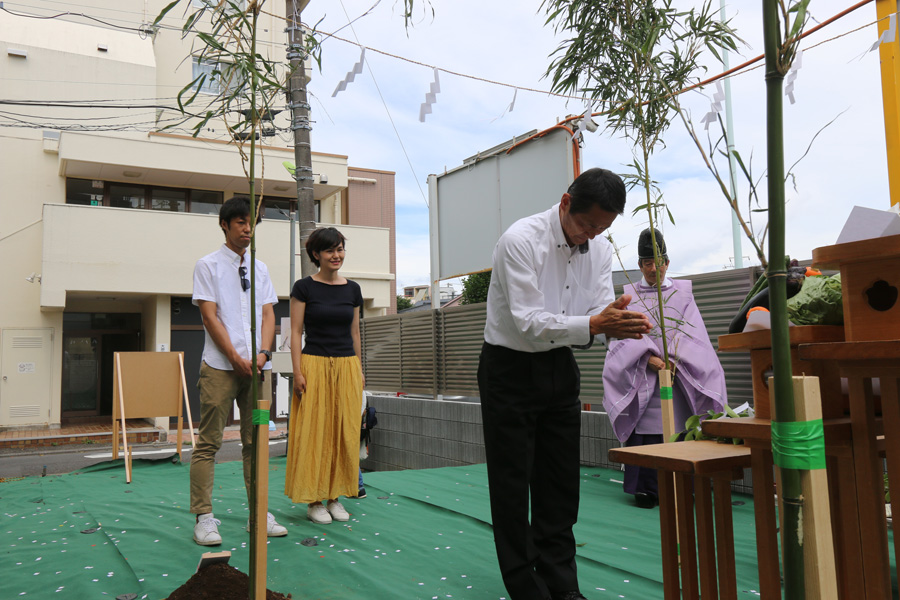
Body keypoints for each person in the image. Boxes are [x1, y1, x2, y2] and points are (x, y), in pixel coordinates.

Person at [478, 168, 653, 600]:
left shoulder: (599, 247)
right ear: (564, 202)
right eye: (586, 224)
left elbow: (595, 307)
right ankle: (525, 586)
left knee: (560, 483)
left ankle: (563, 585)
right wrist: (597, 322)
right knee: (513, 483)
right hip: (508, 367)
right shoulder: (520, 240)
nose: (591, 235)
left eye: (603, 227)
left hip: (560, 365)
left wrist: (615, 322)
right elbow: (528, 321)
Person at [602, 228, 727, 508]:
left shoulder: (683, 293)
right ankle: (646, 489)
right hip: (642, 373)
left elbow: (694, 333)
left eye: (659, 261)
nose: (653, 268)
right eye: (647, 263)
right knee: (646, 432)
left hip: (678, 373)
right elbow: (621, 336)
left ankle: (683, 485)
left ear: (667, 262)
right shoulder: (629, 295)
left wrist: (674, 358)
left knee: (679, 426)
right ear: (639, 265)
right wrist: (647, 357)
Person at [190, 195, 288, 546]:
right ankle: (204, 517)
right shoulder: (208, 265)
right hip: (219, 367)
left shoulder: (260, 267)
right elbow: (209, 315)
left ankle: (258, 514)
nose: (248, 229)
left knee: (256, 441)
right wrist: (234, 356)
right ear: (225, 225)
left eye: (252, 223)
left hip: (258, 371)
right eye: (241, 222)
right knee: (209, 442)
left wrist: (263, 353)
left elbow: (267, 315)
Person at [284, 227, 364, 524]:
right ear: (316, 254)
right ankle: (314, 500)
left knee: (343, 431)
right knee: (314, 432)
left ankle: (335, 497)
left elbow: (355, 332)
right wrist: (297, 371)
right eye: (330, 250)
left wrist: (359, 367)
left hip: (346, 365)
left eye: (340, 249)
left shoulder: (353, 289)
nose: (337, 255)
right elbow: (295, 331)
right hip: (314, 363)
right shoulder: (304, 287)